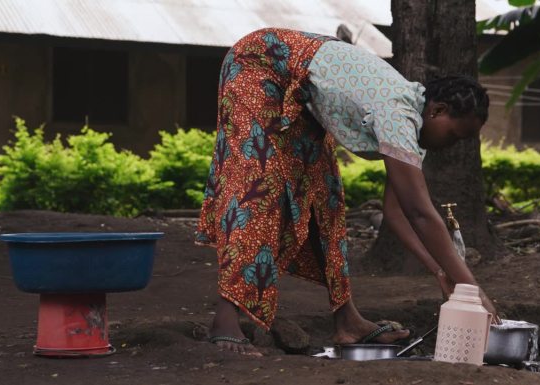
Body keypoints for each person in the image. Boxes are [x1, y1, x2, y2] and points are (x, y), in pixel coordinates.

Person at [196, 28, 498, 356]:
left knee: (326, 198)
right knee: (258, 190)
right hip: (260, 63)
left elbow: (396, 213)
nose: (451, 146)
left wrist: (441, 271)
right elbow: (420, 213)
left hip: (300, 89)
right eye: (454, 136)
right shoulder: (397, 113)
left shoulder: (411, 122)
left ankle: (347, 321)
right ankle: (225, 320)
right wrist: (472, 288)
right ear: (437, 111)